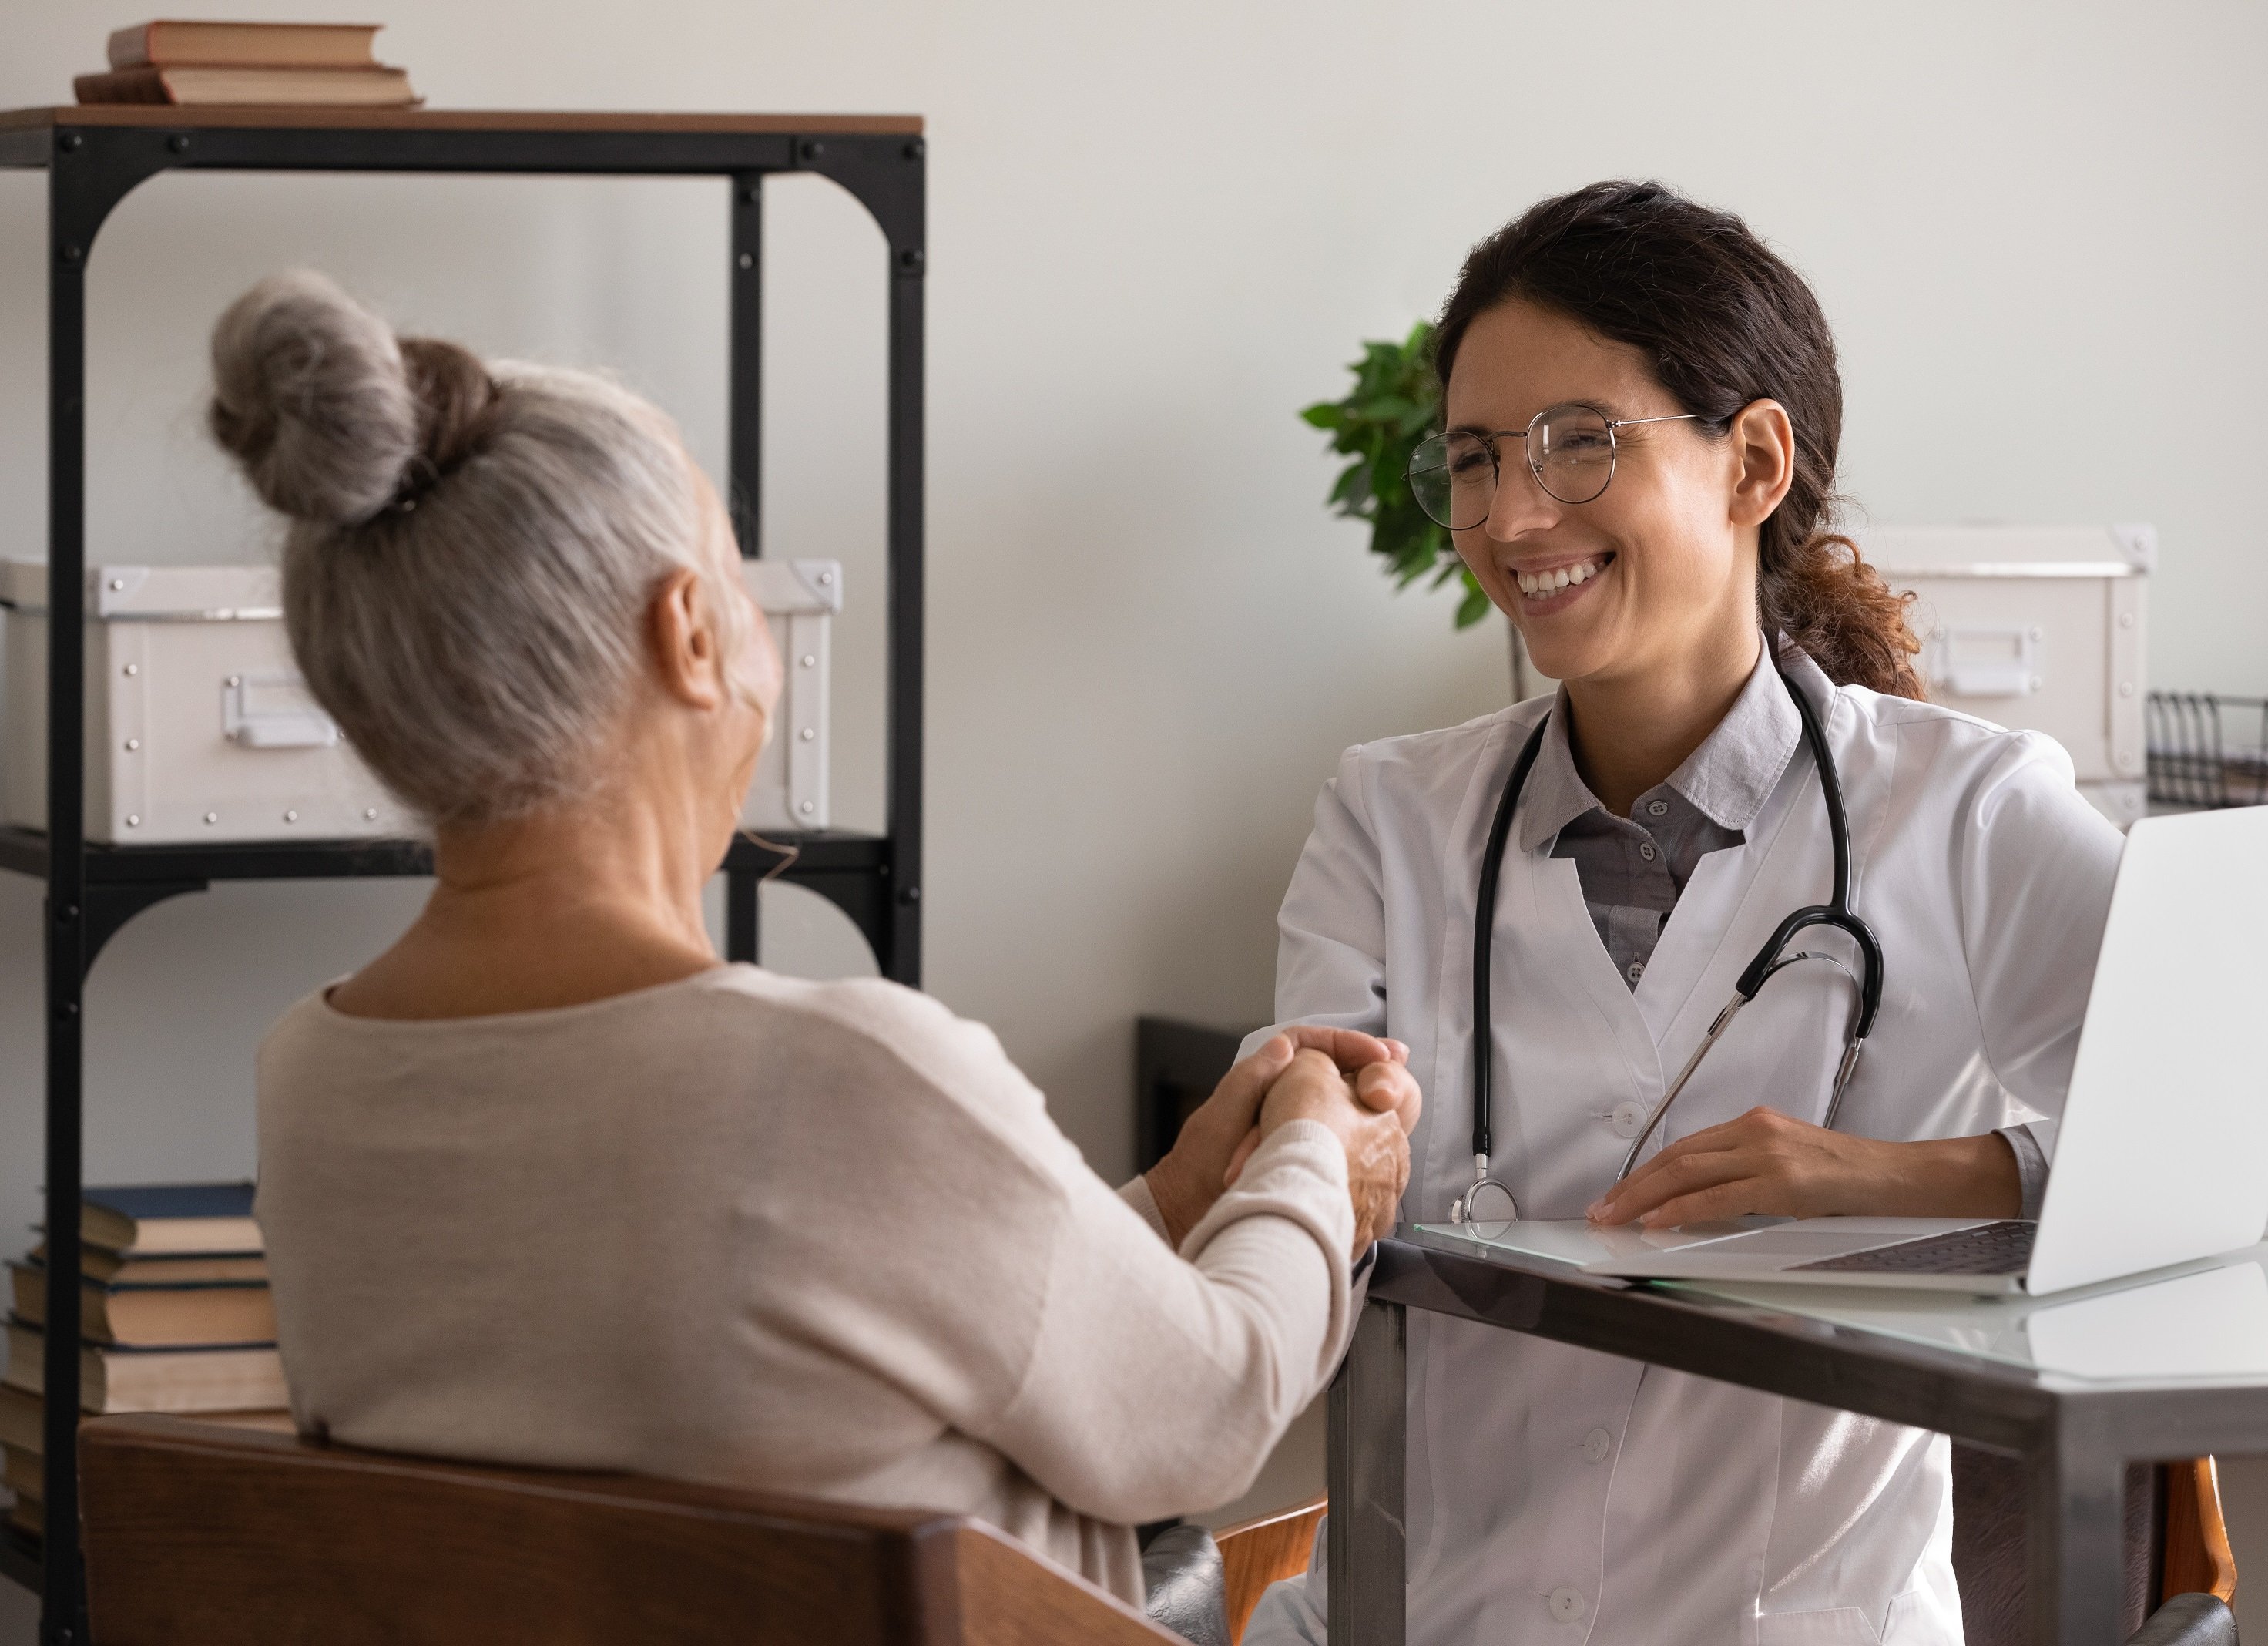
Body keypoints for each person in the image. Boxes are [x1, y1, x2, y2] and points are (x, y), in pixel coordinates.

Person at [1243, 182, 2268, 1645]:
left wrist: (1922, 1178)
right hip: (1414, 1622)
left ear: (1754, 462)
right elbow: (1299, 1235)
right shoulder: (1389, 819)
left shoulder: (1960, 813)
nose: (1511, 516)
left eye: (1580, 444)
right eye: (1476, 457)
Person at [214, 270, 1423, 1632]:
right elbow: (1206, 1411)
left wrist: (1163, 1203)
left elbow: (816, 1339)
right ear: (687, 633)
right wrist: (1320, 1148)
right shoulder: (837, 1073)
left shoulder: (310, 1080)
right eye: (738, 573)